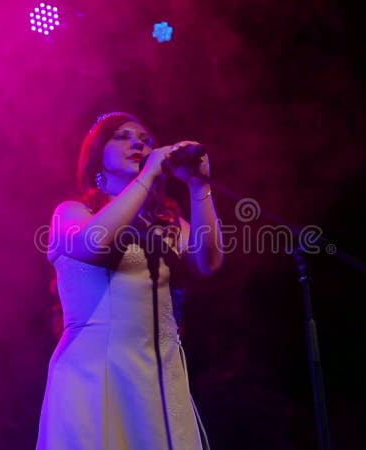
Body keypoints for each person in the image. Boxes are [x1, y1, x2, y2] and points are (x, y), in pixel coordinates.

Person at [36, 112, 223, 450]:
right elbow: (93, 244)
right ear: (97, 153)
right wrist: (149, 173)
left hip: (159, 372)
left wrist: (200, 187)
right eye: (122, 136)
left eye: (146, 140)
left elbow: (208, 262)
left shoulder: (167, 224)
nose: (138, 143)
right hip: (96, 370)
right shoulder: (72, 213)